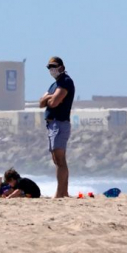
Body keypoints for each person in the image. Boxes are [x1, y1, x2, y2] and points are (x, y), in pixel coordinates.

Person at [39, 57, 75, 198]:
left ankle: (60, 193)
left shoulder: (65, 81)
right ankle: (63, 192)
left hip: (59, 123)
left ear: (61, 67)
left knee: (59, 159)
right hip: (52, 124)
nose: (51, 69)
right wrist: (50, 97)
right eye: (49, 67)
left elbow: (53, 102)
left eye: (53, 66)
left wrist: (50, 98)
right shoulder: (54, 85)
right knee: (57, 159)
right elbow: (41, 103)